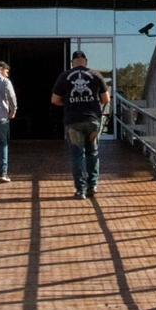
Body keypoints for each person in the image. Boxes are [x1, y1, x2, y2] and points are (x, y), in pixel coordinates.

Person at [51, 50, 108, 199]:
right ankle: (92, 185)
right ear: (86, 61)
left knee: (77, 155)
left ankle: (80, 190)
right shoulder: (96, 75)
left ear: (72, 62)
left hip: (73, 121)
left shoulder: (64, 76)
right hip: (93, 120)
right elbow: (106, 99)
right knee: (92, 152)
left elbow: (54, 99)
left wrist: (68, 102)